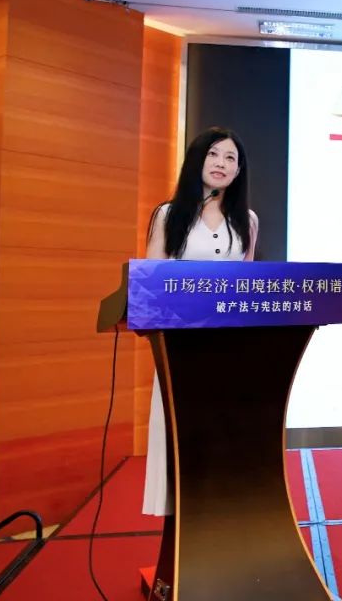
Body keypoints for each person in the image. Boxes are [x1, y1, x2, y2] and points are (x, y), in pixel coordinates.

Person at [142, 127, 259, 516]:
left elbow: (247, 287)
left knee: (224, 432)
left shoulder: (247, 221)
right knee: (182, 434)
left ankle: (222, 512)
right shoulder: (168, 215)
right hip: (179, 344)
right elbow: (151, 281)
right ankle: (180, 516)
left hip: (228, 346)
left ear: (239, 171)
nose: (221, 163)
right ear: (197, 160)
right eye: (213, 154)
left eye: (230, 158)